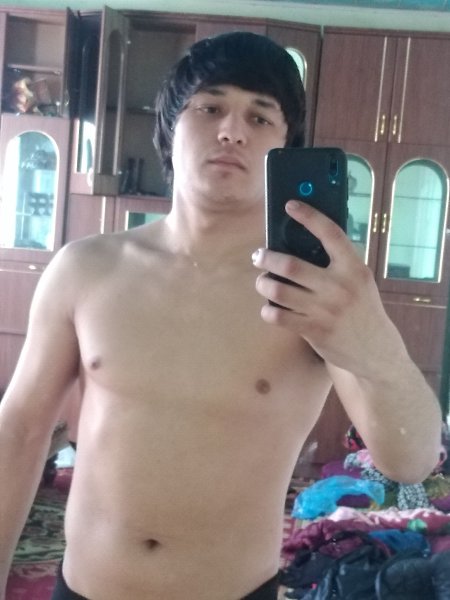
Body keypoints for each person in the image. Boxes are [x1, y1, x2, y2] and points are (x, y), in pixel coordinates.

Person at [0, 31, 442, 600]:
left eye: (260, 117)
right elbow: (19, 431)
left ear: (285, 149)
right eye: (210, 108)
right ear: (170, 128)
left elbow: (411, 460)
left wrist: (375, 343)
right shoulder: (84, 269)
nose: (232, 130)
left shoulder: (312, 291)